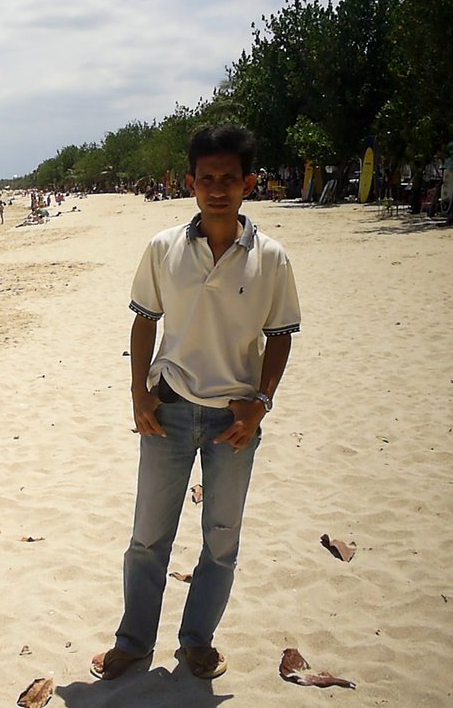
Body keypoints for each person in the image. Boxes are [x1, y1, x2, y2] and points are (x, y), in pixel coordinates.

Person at [91, 126, 301, 682]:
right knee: (147, 538)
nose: (216, 188)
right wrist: (138, 393)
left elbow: (281, 335)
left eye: (228, 178)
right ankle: (133, 643)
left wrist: (261, 402)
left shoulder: (272, 258)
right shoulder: (164, 248)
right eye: (205, 178)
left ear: (248, 183)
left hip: (235, 419)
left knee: (222, 540)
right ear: (190, 183)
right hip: (169, 408)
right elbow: (144, 321)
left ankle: (197, 642)